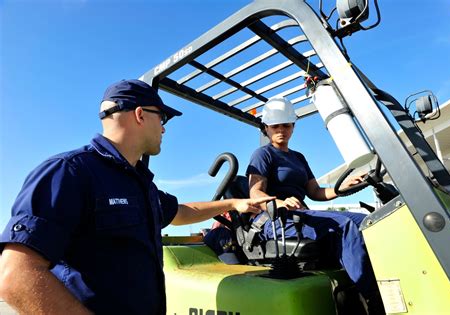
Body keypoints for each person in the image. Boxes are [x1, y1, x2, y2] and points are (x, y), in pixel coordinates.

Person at [0, 79, 274, 315]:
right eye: (162, 118)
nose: (164, 128)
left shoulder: (140, 185)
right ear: (141, 114)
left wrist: (234, 203)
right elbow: (16, 275)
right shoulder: (69, 173)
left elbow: (181, 212)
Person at [246, 97, 384, 314]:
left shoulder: (298, 157)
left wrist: (342, 187)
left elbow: (316, 192)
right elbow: (255, 193)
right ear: (266, 128)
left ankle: (382, 276)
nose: (281, 129)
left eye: (286, 125)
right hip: (276, 220)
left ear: (293, 127)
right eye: (275, 126)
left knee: (368, 220)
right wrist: (280, 202)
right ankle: (373, 298)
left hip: (302, 214)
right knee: (345, 225)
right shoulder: (263, 154)